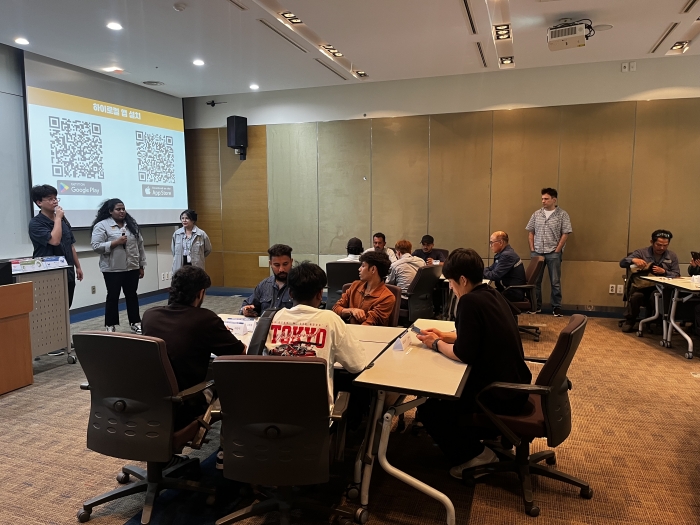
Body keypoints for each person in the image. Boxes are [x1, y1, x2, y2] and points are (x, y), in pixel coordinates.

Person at [415, 248, 532, 479]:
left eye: (451, 282)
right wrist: (443, 335)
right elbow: (477, 335)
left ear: (462, 280)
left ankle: (476, 456)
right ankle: (480, 438)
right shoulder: (491, 293)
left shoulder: (469, 302)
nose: (450, 288)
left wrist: (436, 343)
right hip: (515, 386)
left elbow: (463, 353)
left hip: (498, 394)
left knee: (430, 410)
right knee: (442, 398)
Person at [142, 266, 246, 420]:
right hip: (185, 405)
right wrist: (220, 331)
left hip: (149, 400)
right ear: (200, 293)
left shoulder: (149, 315)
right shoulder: (206, 319)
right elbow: (240, 353)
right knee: (230, 382)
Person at [264, 262, 368, 409]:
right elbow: (356, 365)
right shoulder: (330, 320)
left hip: (270, 410)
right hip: (316, 415)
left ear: (290, 293)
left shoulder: (269, 319)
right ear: (320, 294)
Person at [91, 199, 147, 333]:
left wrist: (141, 265)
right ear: (110, 211)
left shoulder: (132, 225)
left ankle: (135, 322)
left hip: (132, 267)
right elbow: (96, 246)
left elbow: (140, 246)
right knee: (113, 296)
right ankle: (110, 325)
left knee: (132, 295)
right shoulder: (102, 225)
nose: (122, 211)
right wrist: (115, 242)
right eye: (118, 209)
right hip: (112, 269)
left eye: (123, 209)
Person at [28, 185, 83, 309]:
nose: (55, 201)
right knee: (50, 308)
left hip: (67, 271)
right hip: (48, 273)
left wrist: (78, 267)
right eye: (50, 199)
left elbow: (70, 245)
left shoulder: (63, 221)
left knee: (66, 306)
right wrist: (58, 218)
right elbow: (55, 241)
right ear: (39, 202)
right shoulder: (36, 223)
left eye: (56, 198)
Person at [619, 229, 680, 333]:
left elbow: (677, 274)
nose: (662, 248)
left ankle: (661, 322)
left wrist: (664, 272)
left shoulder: (672, 256)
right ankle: (630, 321)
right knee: (636, 297)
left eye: (665, 245)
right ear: (652, 242)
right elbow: (622, 263)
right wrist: (633, 260)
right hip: (642, 287)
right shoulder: (641, 253)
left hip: (660, 288)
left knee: (658, 296)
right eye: (659, 245)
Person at [525, 188, 573, 317]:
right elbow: (531, 232)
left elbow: (565, 233)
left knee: (555, 282)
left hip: (553, 252)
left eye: (546, 199)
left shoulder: (562, 214)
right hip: (537, 252)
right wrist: (532, 249)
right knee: (535, 281)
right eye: (542, 199)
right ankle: (535, 306)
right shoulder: (536, 214)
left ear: (554, 200)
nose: (543, 201)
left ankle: (556, 307)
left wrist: (558, 250)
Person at [332, 251, 396, 326]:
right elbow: (335, 308)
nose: (359, 269)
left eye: (363, 266)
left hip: (368, 332)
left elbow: (369, 323)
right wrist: (351, 310)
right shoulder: (355, 286)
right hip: (348, 329)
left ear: (373, 269)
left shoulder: (387, 297)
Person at [240, 244, 294, 317]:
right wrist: (246, 310)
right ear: (270, 263)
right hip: (265, 323)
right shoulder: (264, 285)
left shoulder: (300, 284)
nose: (281, 269)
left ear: (291, 262)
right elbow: (247, 304)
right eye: (277, 265)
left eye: (285, 264)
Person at [484, 231, 526, 302]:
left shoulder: (507, 255)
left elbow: (494, 275)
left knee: (484, 297)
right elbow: (491, 269)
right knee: (483, 294)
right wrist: (481, 270)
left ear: (501, 242)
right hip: (506, 289)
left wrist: (480, 271)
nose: (490, 246)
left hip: (512, 293)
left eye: (492, 242)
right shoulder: (503, 254)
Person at [171, 209, 212, 275]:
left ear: (193, 220)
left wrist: (198, 257)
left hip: (195, 264)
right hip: (181, 264)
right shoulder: (177, 234)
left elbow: (208, 249)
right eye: (182, 218)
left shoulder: (201, 234)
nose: (184, 220)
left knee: (195, 280)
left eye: (187, 218)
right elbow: (173, 251)